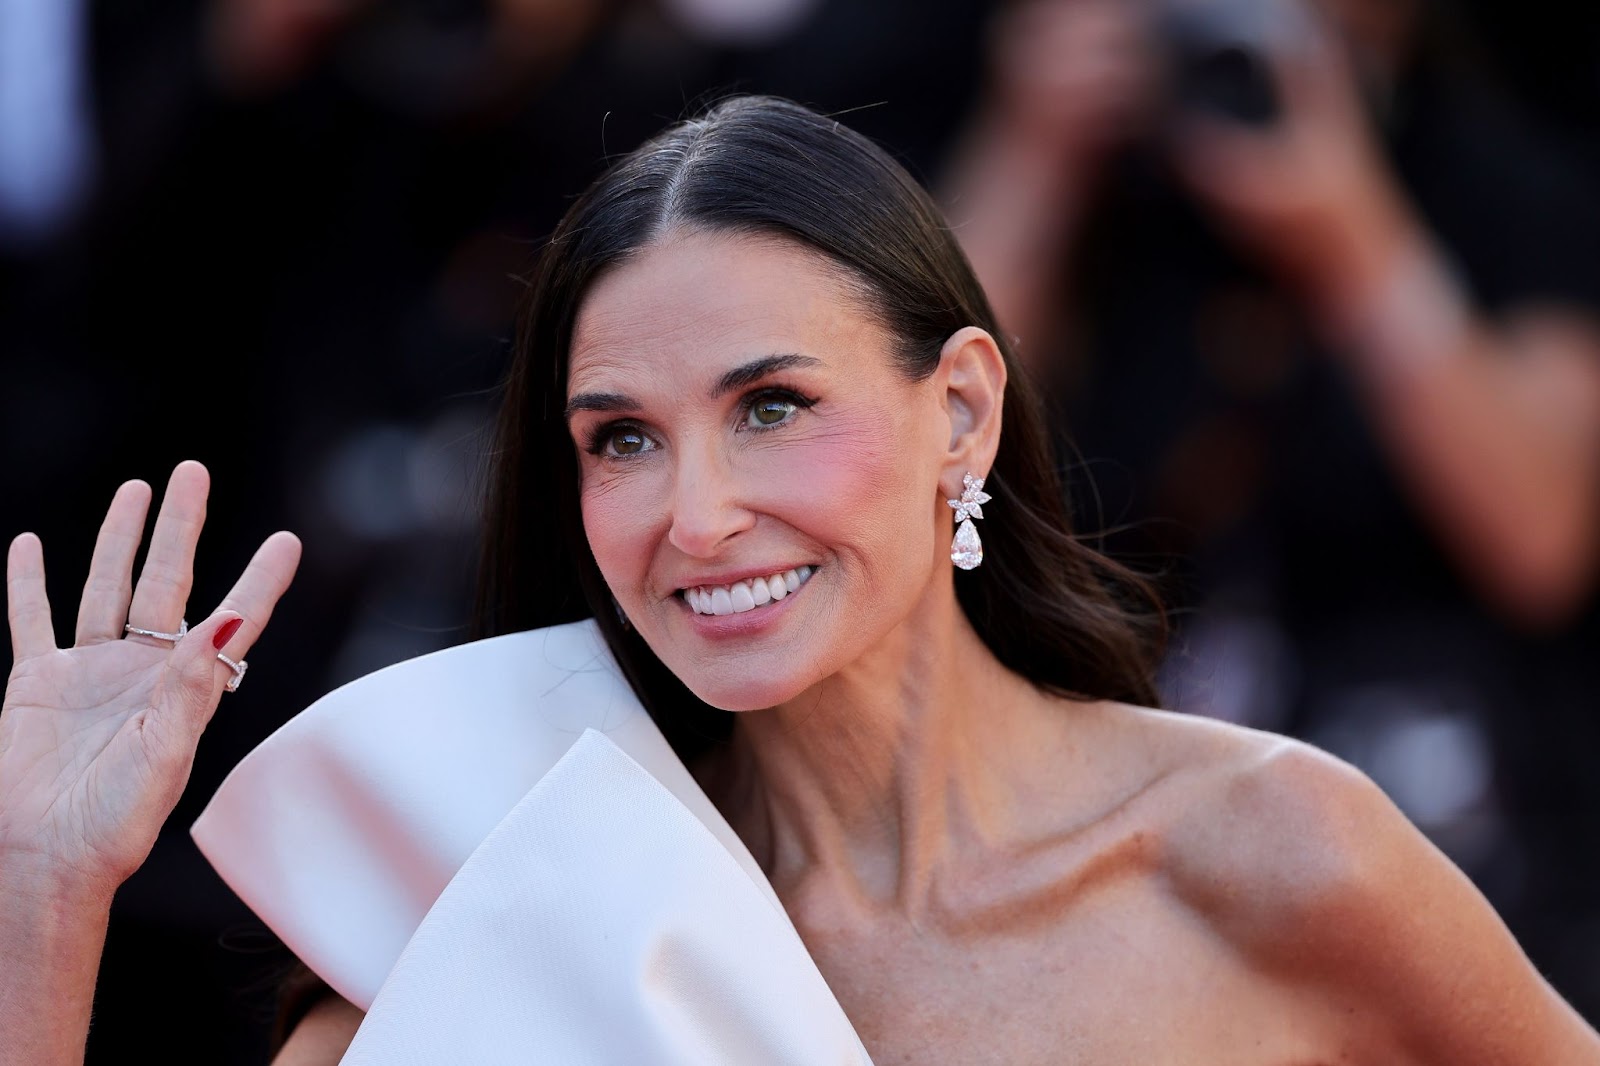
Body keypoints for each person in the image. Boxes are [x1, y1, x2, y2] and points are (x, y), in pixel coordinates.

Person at [4, 96, 1597, 1064]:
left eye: (772, 408)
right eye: (620, 438)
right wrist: (46, 891)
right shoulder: (513, 900)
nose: (695, 515)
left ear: (960, 407)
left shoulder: (1271, 855)